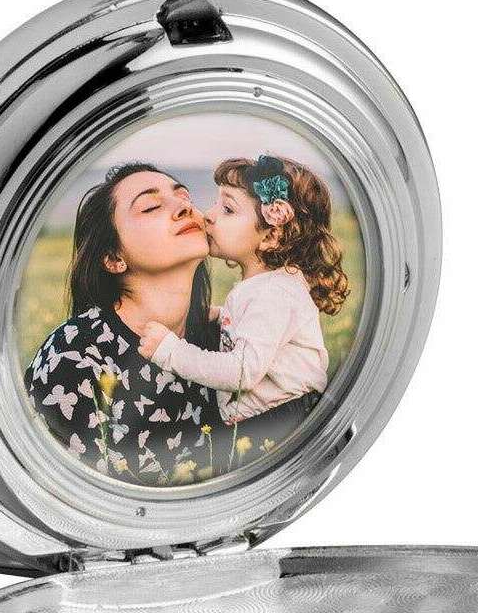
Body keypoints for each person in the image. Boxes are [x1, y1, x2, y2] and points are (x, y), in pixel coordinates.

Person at [24, 162, 230, 485]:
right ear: (114, 258)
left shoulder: (224, 341)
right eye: (150, 207)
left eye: (184, 197)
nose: (184, 208)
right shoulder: (74, 357)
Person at [139, 154, 348, 426]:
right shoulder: (265, 288)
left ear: (270, 236)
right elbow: (253, 327)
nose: (209, 215)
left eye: (228, 209)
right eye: (217, 203)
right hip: (270, 420)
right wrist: (219, 315)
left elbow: (242, 371)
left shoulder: (275, 293)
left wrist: (170, 352)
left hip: (286, 418)